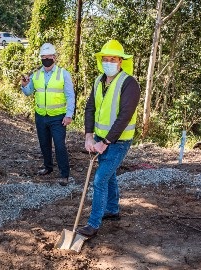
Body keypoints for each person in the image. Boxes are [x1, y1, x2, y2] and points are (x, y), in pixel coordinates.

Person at [76, 39, 140, 237]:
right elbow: (90, 108)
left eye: (113, 59)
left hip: (118, 142)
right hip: (100, 138)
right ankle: (112, 209)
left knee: (100, 179)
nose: (109, 62)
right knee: (109, 175)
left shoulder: (130, 84)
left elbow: (124, 116)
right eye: (106, 58)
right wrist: (89, 135)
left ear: (121, 61)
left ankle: (93, 224)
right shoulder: (98, 81)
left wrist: (105, 142)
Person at [20, 43, 75, 186]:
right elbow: (28, 93)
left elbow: (70, 96)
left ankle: (64, 174)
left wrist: (69, 114)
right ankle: (47, 167)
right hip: (41, 116)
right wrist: (25, 85)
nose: (46, 59)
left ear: (54, 57)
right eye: (43, 57)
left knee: (59, 145)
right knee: (44, 144)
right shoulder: (36, 75)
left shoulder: (63, 74)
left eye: (48, 56)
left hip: (58, 117)